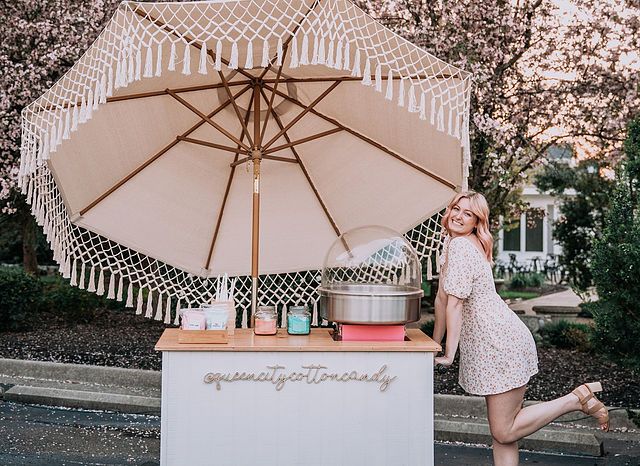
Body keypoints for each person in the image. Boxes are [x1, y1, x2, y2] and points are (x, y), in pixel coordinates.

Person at [433, 191, 609, 466]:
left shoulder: (461, 247)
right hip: (497, 341)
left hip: (499, 343)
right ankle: (576, 398)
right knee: (505, 435)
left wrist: (448, 354)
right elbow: (441, 299)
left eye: (468, 213)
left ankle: (575, 399)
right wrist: (435, 343)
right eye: (456, 208)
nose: (458, 215)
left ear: (477, 222)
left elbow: (454, 304)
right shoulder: (452, 243)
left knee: (503, 430)